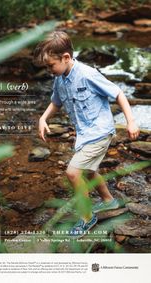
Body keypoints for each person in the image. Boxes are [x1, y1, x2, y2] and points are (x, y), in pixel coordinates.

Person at [34, 31, 140, 237]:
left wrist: (131, 121)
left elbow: (118, 93)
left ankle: (86, 217)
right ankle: (110, 201)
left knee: (73, 173)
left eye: (50, 65)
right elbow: (56, 101)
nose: (48, 70)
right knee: (89, 171)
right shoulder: (60, 78)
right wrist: (43, 118)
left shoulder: (88, 74)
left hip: (100, 132)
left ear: (66, 58)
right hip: (84, 134)